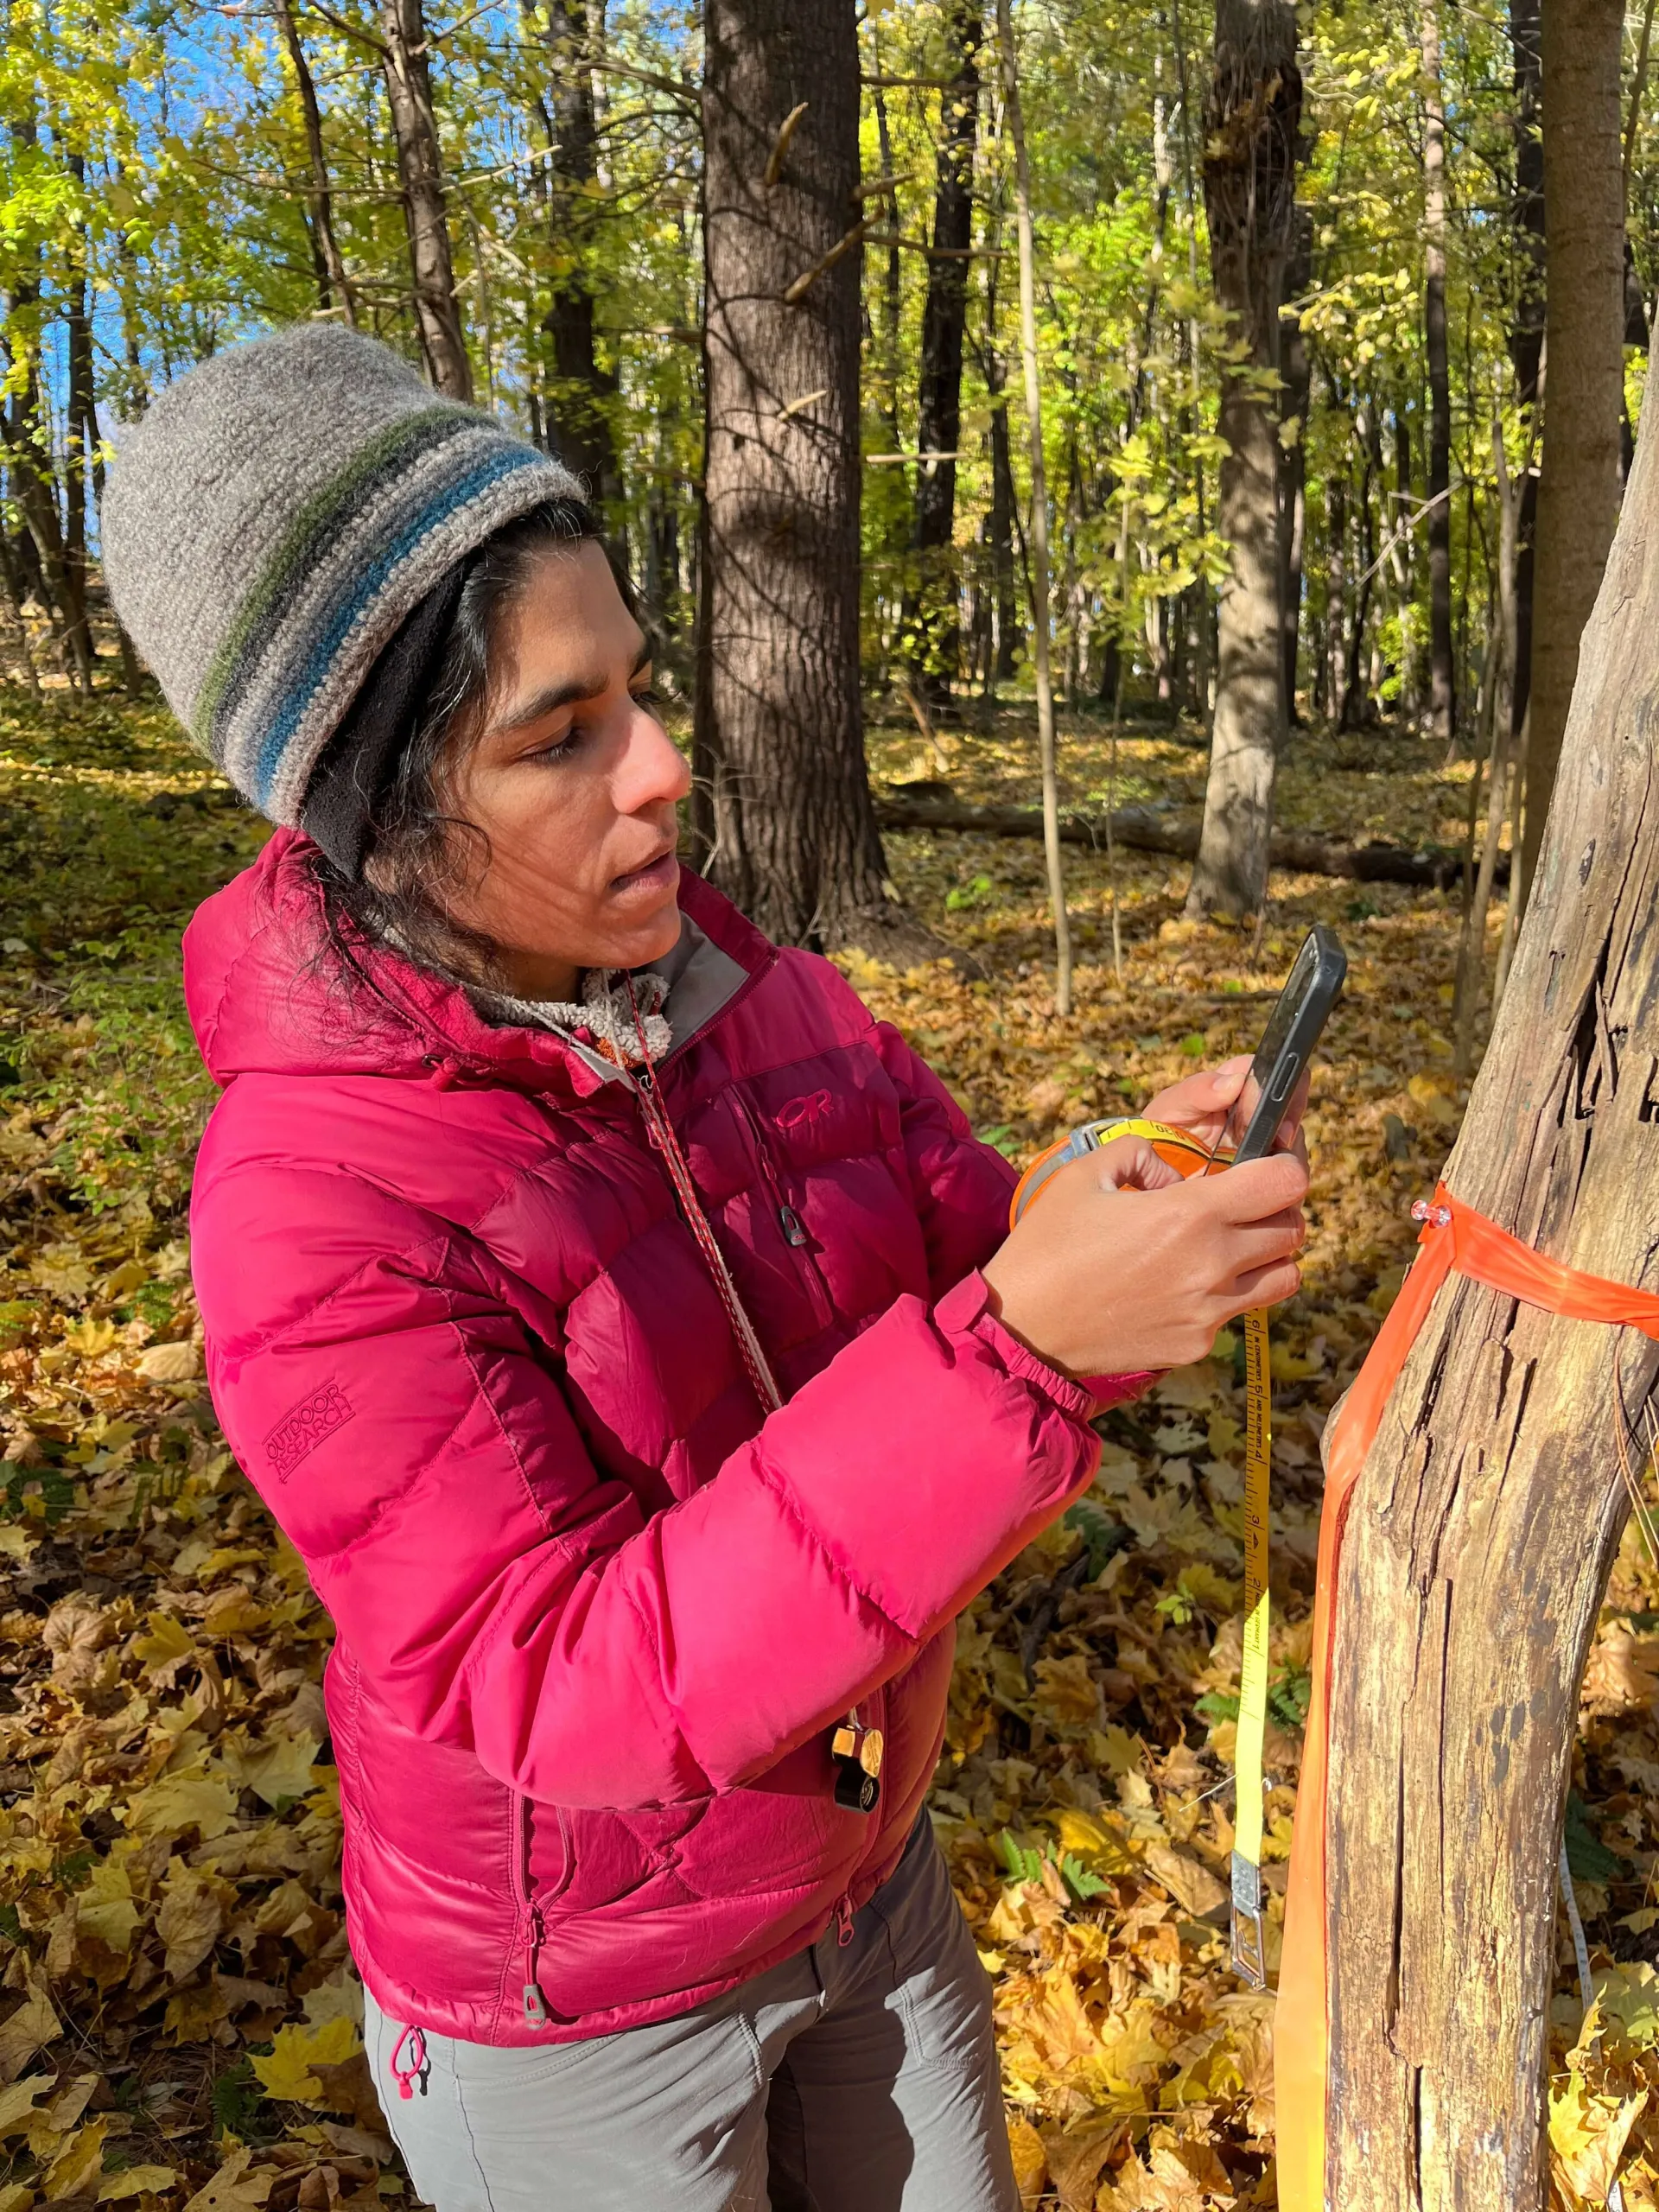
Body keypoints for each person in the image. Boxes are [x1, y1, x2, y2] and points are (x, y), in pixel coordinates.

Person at [102, 327, 1307, 2212]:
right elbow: (569, 1677)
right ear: (371, 811)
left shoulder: (745, 987)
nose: (664, 768)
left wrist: (1122, 1212)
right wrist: (1025, 1346)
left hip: (864, 1862)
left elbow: (974, 1261)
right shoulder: (311, 1202)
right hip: (579, 2013)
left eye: (641, 693)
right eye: (559, 735)